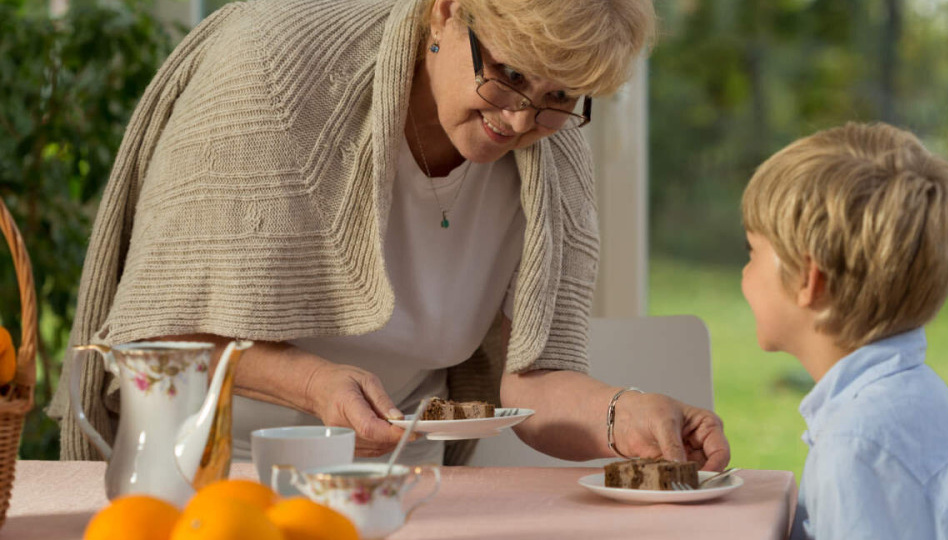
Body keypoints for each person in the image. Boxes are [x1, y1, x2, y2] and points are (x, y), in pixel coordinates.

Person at [49, 0, 730, 470]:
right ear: (446, 9)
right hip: (203, 480)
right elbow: (151, 332)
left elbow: (536, 382)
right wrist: (312, 383)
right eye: (510, 76)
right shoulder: (270, 75)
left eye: (559, 98)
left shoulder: (552, 154)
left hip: (404, 492)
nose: (522, 121)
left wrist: (624, 414)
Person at [740, 122, 948, 539]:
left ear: (810, 280)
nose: (745, 272)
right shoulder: (904, 399)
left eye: (752, 252)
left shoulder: (859, 447)